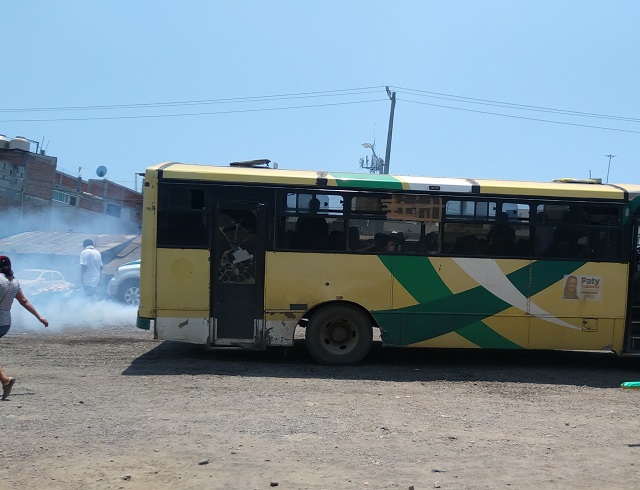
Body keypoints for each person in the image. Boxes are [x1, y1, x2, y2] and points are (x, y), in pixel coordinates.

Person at [0, 255, 48, 400]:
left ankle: (5, 380)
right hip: (5, 324)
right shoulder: (14, 282)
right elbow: (24, 301)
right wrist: (39, 317)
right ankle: (4, 381)